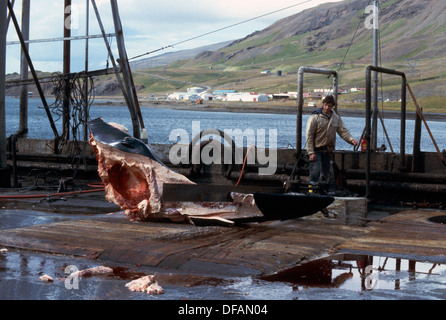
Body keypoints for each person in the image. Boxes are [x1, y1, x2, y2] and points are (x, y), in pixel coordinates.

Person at [306, 94, 358, 193]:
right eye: (325, 105)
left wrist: (351, 139)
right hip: (316, 149)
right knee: (314, 173)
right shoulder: (315, 117)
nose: (327, 107)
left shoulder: (336, 118)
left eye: (329, 105)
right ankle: (311, 192)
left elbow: (343, 131)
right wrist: (311, 152)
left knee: (326, 173)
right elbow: (309, 136)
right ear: (323, 104)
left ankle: (323, 192)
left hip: (327, 150)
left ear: (332, 106)